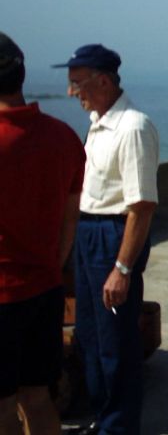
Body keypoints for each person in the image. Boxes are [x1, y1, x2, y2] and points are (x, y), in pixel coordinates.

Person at [53, 44, 159, 435]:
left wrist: (122, 268)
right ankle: (104, 418)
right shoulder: (99, 123)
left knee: (115, 341)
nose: (71, 93)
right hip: (88, 232)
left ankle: (119, 426)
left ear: (102, 81)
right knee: (91, 337)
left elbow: (141, 205)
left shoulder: (132, 127)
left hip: (111, 235)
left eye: (76, 83)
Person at [0, 33, 85, 435]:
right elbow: (70, 219)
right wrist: (50, 265)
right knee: (37, 397)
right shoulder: (63, 137)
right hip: (44, 289)